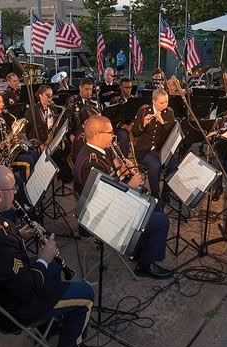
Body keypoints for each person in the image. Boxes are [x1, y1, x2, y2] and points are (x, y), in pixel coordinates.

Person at [0, 165, 99, 347]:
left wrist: (18, 234)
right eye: (12, 189)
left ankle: (46, 325)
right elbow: (24, 289)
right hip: (12, 307)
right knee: (86, 294)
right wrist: (43, 258)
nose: (15, 193)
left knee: (55, 268)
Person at [74, 115, 173, 279]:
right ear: (97, 135)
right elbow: (102, 201)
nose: (114, 137)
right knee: (161, 220)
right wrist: (131, 186)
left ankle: (139, 248)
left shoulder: (94, 151)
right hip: (102, 216)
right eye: (110, 133)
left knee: (154, 204)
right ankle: (145, 265)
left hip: (108, 205)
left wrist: (120, 167)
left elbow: (108, 180)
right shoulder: (91, 162)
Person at [131, 88, 177, 198]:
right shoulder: (143, 111)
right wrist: (143, 124)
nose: (164, 105)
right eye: (161, 103)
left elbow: (171, 133)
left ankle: (166, 191)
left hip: (161, 148)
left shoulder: (169, 112)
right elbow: (135, 132)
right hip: (144, 149)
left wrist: (162, 121)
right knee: (155, 165)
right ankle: (155, 194)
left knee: (173, 164)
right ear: (154, 101)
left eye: (166, 102)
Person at [109, 78, 135, 156]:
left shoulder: (135, 99)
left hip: (133, 125)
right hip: (119, 127)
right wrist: (124, 126)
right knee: (124, 136)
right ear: (121, 87)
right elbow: (112, 119)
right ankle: (124, 159)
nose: (128, 90)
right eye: (126, 87)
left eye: (130, 87)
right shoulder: (115, 101)